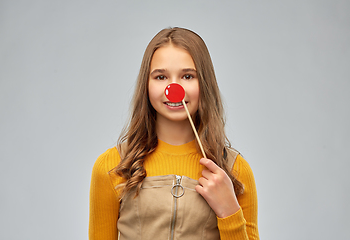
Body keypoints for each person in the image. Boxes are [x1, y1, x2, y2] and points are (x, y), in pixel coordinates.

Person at [89, 27, 259, 240]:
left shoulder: (234, 170)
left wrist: (228, 211)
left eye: (187, 76)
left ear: (204, 84)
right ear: (146, 85)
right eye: (161, 77)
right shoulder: (112, 166)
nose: (174, 88)